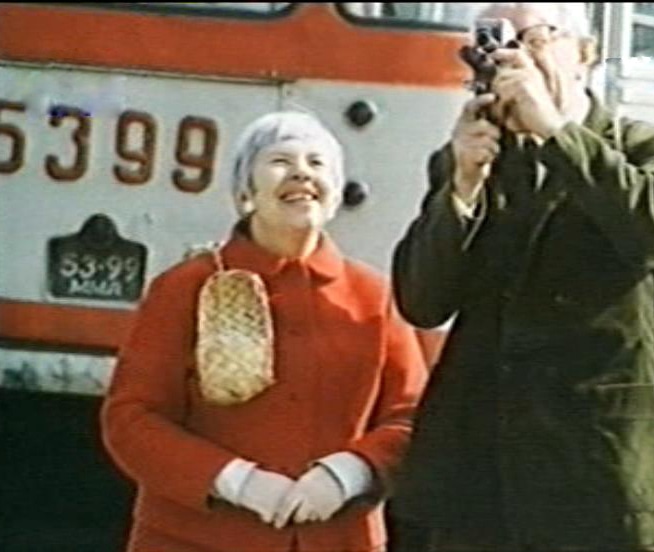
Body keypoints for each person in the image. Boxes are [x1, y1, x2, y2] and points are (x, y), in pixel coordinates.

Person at [390, 3, 654, 552]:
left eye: (532, 39)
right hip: (479, 490)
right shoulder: (473, 158)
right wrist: (461, 188)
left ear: (585, 54)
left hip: (599, 482)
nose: (512, 59)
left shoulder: (652, 149)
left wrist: (554, 130)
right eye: (493, 44)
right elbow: (422, 302)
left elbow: (652, 227)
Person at [101, 111, 428, 552]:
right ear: (245, 192)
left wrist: (347, 474)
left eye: (317, 163)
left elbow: (412, 416)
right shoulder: (184, 287)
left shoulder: (375, 296)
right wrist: (238, 481)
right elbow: (131, 419)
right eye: (279, 161)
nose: (301, 173)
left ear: (335, 195)